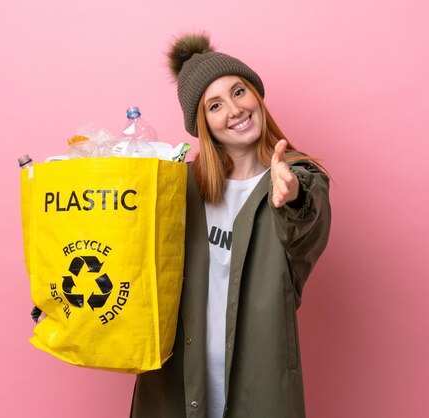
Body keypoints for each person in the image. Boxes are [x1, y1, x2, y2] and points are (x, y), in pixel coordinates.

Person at [130, 32, 331, 418]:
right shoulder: (178, 188)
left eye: (239, 92)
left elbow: (307, 220)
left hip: (259, 383)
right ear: (202, 123)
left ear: (256, 95)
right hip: (176, 382)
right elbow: (131, 259)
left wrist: (291, 195)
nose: (234, 110)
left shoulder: (298, 178)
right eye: (215, 105)